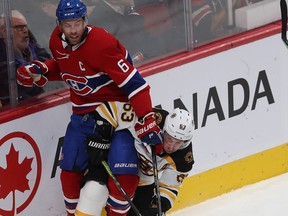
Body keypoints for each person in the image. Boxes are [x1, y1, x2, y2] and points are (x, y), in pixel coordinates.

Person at [16, 0, 162, 215]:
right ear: (59, 24)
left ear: (85, 20)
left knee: (125, 176)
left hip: (117, 117)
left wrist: (146, 118)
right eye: (67, 25)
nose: (73, 30)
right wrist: (42, 71)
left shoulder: (102, 43)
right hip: (83, 116)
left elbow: (136, 85)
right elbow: (66, 66)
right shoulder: (56, 40)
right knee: (69, 174)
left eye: (77, 23)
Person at [127, 108, 195, 216]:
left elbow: (170, 186)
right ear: (164, 130)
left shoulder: (184, 158)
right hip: (124, 168)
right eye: (169, 139)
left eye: (178, 143)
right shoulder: (153, 119)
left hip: (145, 181)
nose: (171, 146)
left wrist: (158, 206)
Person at [0, 10, 51, 107]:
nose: (25, 30)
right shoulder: (2, 59)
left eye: (25, 26)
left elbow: (49, 65)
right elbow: (19, 84)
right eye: (19, 28)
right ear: (5, 32)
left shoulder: (32, 46)